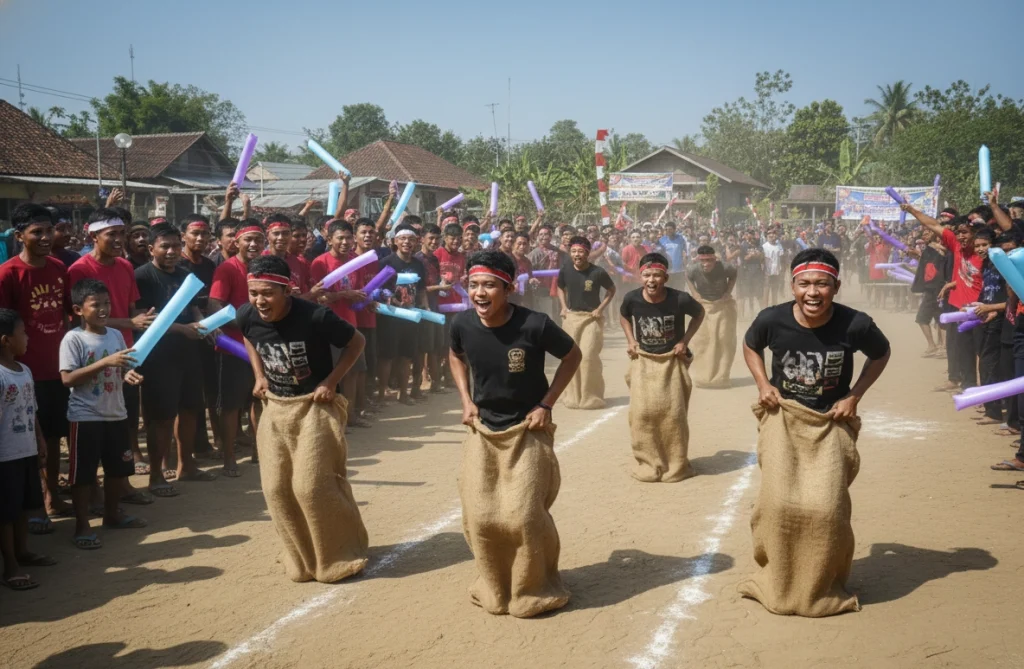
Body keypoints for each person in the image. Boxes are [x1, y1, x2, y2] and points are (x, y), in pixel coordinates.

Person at [740, 248, 890, 617]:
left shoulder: (855, 324)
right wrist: (763, 384)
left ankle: (821, 585)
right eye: (804, 283)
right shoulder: (771, 319)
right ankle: (779, 579)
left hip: (831, 423)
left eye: (822, 284)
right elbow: (750, 345)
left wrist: (854, 395)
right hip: (784, 419)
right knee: (777, 505)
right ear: (791, 285)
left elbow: (881, 353)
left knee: (826, 510)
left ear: (836, 286)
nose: (812, 292)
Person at [449, 250, 581, 617]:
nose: (479, 292)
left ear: (508, 288)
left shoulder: (535, 325)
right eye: (473, 285)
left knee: (523, 514)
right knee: (481, 514)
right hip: (483, 430)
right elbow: (455, 355)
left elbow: (573, 356)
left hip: (527, 429)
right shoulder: (462, 324)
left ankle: (533, 587)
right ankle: (495, 584)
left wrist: (546, 404)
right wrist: (466, 400)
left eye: (489, 285)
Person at [237, 255, 368, 583]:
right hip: (276, 408)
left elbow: (356, 342)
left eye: (267, 293)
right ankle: (301, 556)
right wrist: (259, 375)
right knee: (277, 488)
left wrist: (331, 381)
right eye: (253, 293)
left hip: (314, 407)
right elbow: (248, 337)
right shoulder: (247, 314)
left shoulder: (316, 316)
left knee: (310, 487)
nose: (259, 301)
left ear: (287, 291)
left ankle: (339, 553)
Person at [68, 209, 156, 503]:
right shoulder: (80, 270)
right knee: (92, 431)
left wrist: (143, 319)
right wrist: (129, 323)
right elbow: (79, 319)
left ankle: (122, 485)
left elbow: (130, 310)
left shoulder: (125, 266)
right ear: (93, 236)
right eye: (112, 235)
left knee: (126, 420)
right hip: (94, 356)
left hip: (126, 353)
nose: (119, 240)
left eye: (122, 234)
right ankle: (92, 487)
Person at [59, 279, 147, 550]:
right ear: (77, 309)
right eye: (95, 304)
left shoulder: (115, 336)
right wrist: (105, 362)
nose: (103, 309)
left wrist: (128, 373)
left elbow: (121, 369)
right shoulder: (73, 339)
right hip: (85, 416)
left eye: (106, 303)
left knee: (116, 470)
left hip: (115, 413)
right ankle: (82, 525)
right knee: (83, 474)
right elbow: (68, 378)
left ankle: (112, 514)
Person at [0, 204, 72, 523]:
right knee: (27, 440)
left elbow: (68, 314)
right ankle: (34, 507)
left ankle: (52, 497)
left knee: (54, 437)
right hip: (23, 375)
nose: (45, 237)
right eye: (36, 232)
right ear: (20, 236)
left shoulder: (59, 269)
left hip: (58, 369)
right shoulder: (7, 274)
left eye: (49, 230)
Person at [135, 223, 214, 493]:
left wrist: (201, 322)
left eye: (175, 246)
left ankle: (186, 465)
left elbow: (192, 306)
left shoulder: (184, 273)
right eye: (164, 246)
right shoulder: (142, 277)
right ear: (151, 249)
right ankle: (156, 475)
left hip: (188, 352)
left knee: (191, 409)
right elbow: (145, 319)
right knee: (162, 417)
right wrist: (183, 329)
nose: (171, 251)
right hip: (159, 356)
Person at [619, 253, 705, 482]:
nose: (651, 279)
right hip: (644, 361)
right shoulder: (631, 299)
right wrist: (631, 340)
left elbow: (699, 314)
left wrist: (684, 341)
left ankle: (676, 465)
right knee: (641, 414)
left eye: (656, 275)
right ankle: (648, 463)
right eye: (646, 275)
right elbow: (624, 316)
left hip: (672, 363)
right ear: (641, 276)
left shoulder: (680, 299)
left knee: (673, 415)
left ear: (665, 277)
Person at [0, 308, 55, 590]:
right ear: (5, 340)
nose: (28, 337)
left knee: (22, 507)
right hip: (5, 455)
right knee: (6, 513)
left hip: (26, 450)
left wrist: (40, 440)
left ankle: (22, 550)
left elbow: (31, 410)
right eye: (22, 333)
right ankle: (10, 565)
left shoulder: (25, 371)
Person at [902, 204, 983, 391]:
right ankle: (962, 382)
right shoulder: (956, 245)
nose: (960, 236)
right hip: (956, 308)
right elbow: (932, 225)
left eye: (965, 233)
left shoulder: (984, 252)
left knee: (981, 352)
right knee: (956, 346)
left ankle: (985, 392)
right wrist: (912, 210)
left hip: (978, 310)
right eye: (958, 233)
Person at [209, 220, 266, 476]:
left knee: (259, 398)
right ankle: (229, 457)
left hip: (263, 344)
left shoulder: (265, 267)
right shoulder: (227, 269)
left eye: (258, 239)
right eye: (248, 239)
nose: (253, 244)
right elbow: (215, 306)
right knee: (231, 406)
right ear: (237, 242)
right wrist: (246, 325)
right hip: (232, 346)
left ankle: (259, 450)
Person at [309, 220, 371, 427]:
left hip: (351, 324)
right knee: (331, 373)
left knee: (352, 371)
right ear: (329, 239)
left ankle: (350, 415)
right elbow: (319, 297)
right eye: (340, 238)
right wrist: (344, 294)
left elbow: (361, 290)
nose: (345, 242)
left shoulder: (356, 261)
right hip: (327, 327)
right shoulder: (320, 263)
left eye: (348, 238)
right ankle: (332, 418)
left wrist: (368, 300)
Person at [557, 236, 615, 410]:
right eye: (573, 251)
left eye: (580, 251)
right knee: (571, 357)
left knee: (588, 356)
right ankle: (572, 396)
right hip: (572, 318)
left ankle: (592, 396)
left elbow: (611, 290)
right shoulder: (566, 270)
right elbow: (560, 287)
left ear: (587, 254)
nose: (577, 255)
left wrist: (600, 309)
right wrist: (563, 307)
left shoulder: (597, 272)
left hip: (592, 318)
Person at [179, 215, 220, 455]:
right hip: (186, 332)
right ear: (183, 235)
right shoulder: (179, 264)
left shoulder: (208, 264)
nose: (200, 238)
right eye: (195, 233)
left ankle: (204, 442)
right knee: (190, 394)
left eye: (204, 234)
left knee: (208, 389)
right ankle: (190, 446)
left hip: (209, 331)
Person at [377, 222, 429, 405]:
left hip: (411, 315)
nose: (407, 242)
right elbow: (379, 288)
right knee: (387, 356)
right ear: (395, 241)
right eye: (403, 239)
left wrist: (425, 306)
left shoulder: (418, 264)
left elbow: (422, 289)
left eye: (411, 239)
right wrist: (393, 300)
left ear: (416, 243)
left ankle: (403, 394)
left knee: (407, 356)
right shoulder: (386, 263)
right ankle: (382, 395)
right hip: (390, 316)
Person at [686, 245, 738, 388]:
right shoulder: (693, 269)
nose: (706, 264)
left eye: (710, 260)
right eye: (703, 260)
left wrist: (728, 291)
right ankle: (702, 375)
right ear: (699, 260)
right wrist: (694, 293)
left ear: (715, 259)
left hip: (722, 306)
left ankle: (722, 376)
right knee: (702, 340)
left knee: (723, 339)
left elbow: (733, 275)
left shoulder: (725, 267)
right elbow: (688, 277)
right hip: (703, 307)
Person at [910, 228, 949, 357]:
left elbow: (944, 257)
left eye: (928, 233)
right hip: (929, 289)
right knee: (922, 318)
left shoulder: (942, 248)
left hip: (940, 288)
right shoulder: (927, 250)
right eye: (924, 234)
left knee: (941, 318)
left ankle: (944, 347)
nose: (925, 236)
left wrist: (937, 246)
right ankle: (932, 345)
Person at [762, 229, 785, 306]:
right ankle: (765, 311)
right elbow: (762, 261)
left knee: (775, 293)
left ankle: (774, 310)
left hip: (777, 272)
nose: (772, 235)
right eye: (770, 233)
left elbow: (781, 258)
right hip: (767, 273)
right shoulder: (764, 246)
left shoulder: (779, 246)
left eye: (774, 233)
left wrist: (782, 271)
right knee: (766, 293)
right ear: (767, 235)